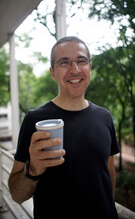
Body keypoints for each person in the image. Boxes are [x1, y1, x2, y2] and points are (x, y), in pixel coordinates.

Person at [8, 36, 119, 218]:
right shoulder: (34, 120)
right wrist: (34, 170)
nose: (75, 70)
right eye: (64, 63)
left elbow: (109, 174)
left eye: (81, 61)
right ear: (53, 72)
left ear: (90, 67)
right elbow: (16, 195)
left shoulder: (104, 117)